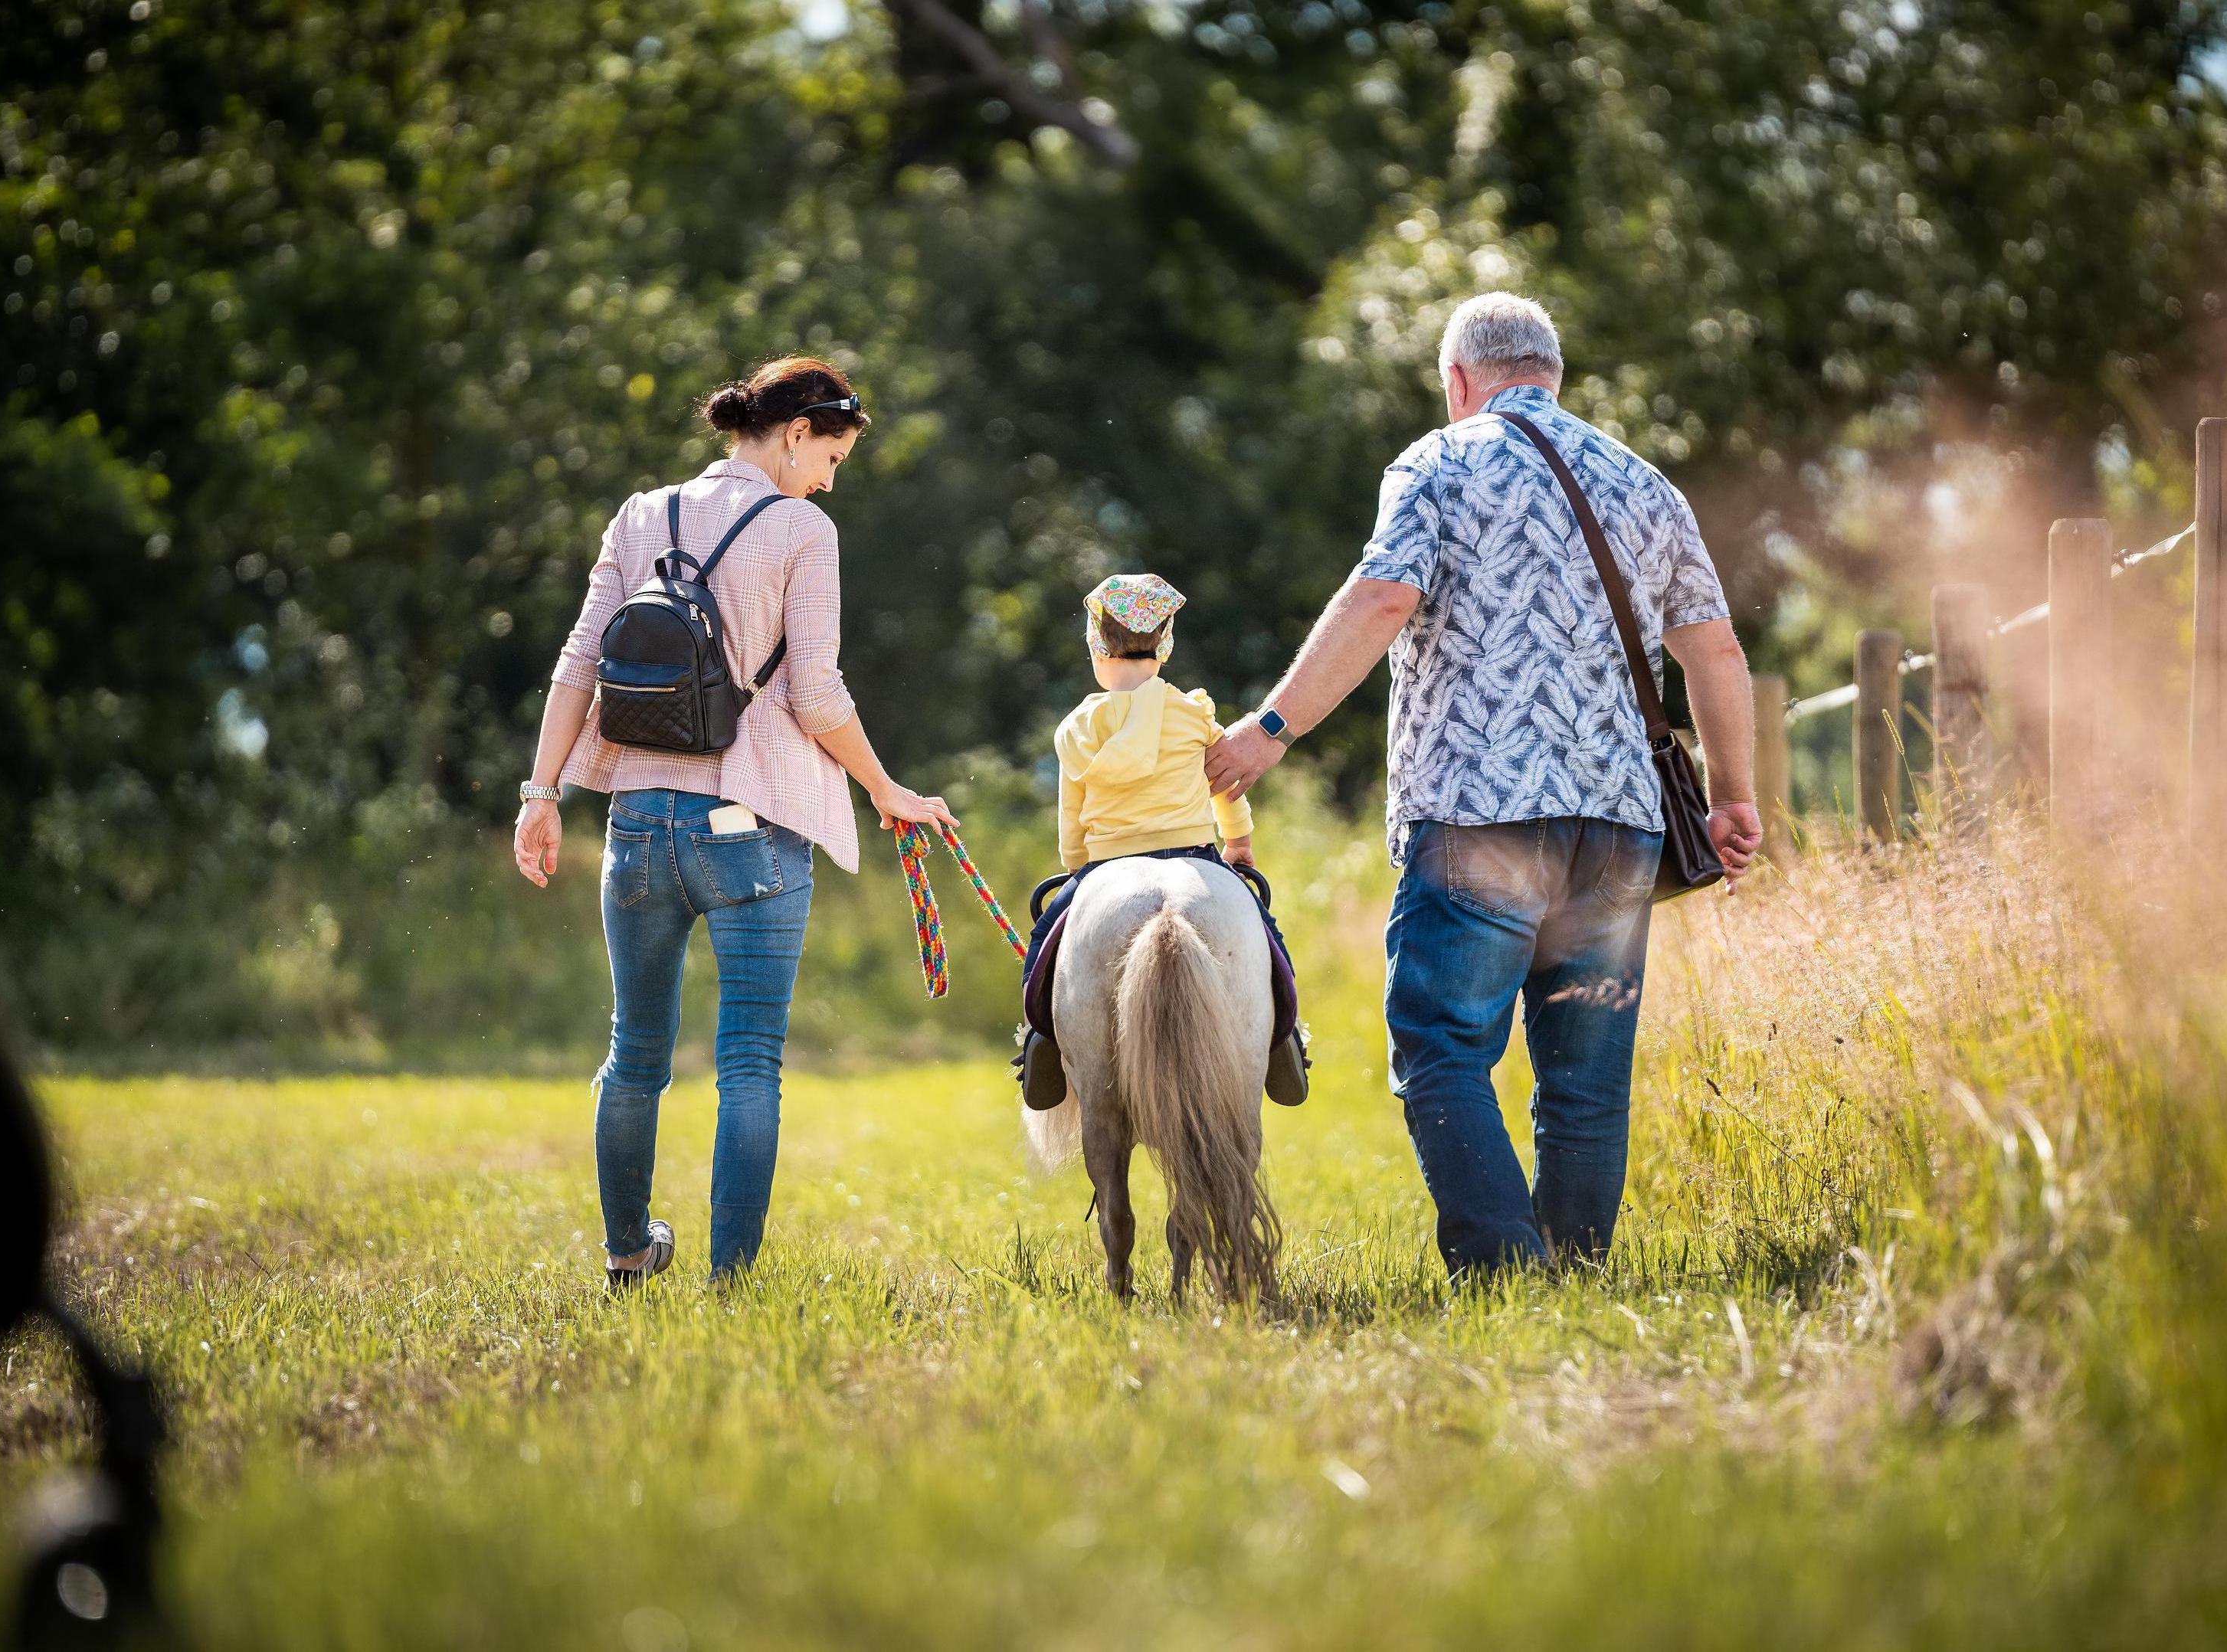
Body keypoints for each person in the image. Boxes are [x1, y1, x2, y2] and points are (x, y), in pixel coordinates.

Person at [1205, 293, 1762, 1278]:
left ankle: (1506, 1274)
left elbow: (1384, 598)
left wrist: (1273, 727)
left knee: (1444, 1049)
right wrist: (1733, 797)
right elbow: (1714, 650)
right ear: (1552, 376)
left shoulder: (1436, 463)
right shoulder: (1640, 481)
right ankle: (1576, 1274)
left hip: (1479, 815)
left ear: (1459, 381)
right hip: (1618, 824)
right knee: (1587, 1077)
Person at [513, 356, 955, 1287]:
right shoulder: (802, 531)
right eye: (831, 458)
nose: (829, 481)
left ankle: (627, 1253)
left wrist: (540, 794)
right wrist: (885, 789)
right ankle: (731, 1282)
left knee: (633, 1054)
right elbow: (817, 693)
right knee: (750, 1061)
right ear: (795, 434)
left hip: (638, 822)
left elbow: (579, 661)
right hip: (753, 827)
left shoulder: (642, 514)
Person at [1015, 573, 1306, 1111]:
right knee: (1265, 934)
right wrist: (1238, 841)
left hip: (1106, 863)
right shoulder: (1194, 714)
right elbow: (1226, 784)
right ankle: (1287, 1037)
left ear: (1095, 645)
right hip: (1195, 854)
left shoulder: (1078, 728)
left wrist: (1077, 867)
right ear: (1165, 644)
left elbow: (1071, 820)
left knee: (1044, 943)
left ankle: (1040, 1040)